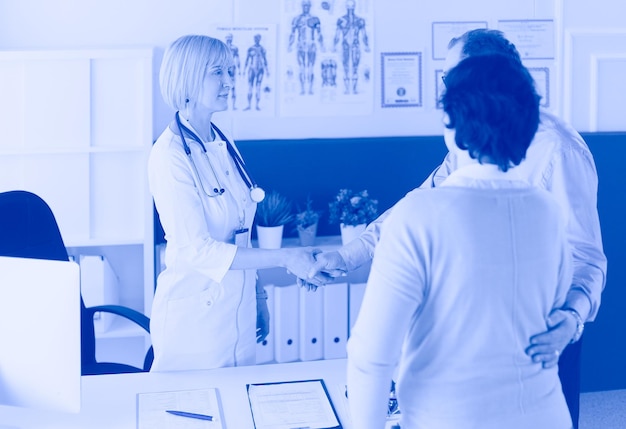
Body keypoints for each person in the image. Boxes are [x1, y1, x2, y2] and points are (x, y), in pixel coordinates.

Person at [310, 28, 606, 427]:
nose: (445, 90)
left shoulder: (558, 150)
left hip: (546, 340)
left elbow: (585, 257)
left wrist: (570, 318)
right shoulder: (471, 152)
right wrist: (347, 256)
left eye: (449, 81)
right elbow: (422, 199)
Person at [148, 34, 322, 372]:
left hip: (238, 313)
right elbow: (198, 250)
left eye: (231, 71)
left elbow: (242, 232)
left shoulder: (223, 144)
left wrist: (257, 296)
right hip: (195, 326)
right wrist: (286, 258)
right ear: (189, 76)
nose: (230, 81)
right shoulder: (168, 157)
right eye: (218, 72)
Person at [332, 0, 370, 94]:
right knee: (345, 67)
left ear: (354, 7)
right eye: (349, 8)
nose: (350, 10)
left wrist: (366, 45)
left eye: (351, 8)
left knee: (355, 68)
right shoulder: (341, 20)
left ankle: (354, 88)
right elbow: (337, 35)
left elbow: (364, 35)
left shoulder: (359, 21)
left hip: (355, 46)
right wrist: (334, 46)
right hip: (345, 46)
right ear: (346, 7)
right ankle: (347, 89)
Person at [288, 0, 324, 95]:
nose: (306, 8)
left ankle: (311, 89)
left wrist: (322, 45)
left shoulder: (315, 19)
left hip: (311, 45)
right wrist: (289, 45)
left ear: (310, 6)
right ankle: (303, 89)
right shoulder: (296, 19)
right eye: (304, 6)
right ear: (302, 6)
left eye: (307, 6)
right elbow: (292, 34)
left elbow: (319, 34)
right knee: (302, 67)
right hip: (301, 45)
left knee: (311, 68)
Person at [243, 34, 269, 111]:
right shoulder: (250, 49)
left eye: (258, 38)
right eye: (255, 38)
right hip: (251, 69)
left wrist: (267, 70)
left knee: (258, 87)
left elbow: (265, 60)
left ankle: (257, 105)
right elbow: (247, 59)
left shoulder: (262, 49)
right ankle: (249, 105)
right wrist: (244, 70)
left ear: (259, 39)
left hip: (260, 69)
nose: (256, 40)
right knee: (250, 87)